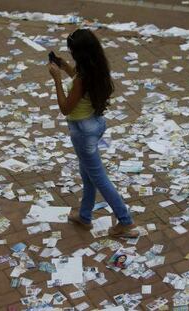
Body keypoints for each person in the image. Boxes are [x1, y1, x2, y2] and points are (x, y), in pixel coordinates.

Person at [47, 28, 138, 238]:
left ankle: (125, 221)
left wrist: (57, 79)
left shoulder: (82, 77)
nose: (71, 55)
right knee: (87, 174)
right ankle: (85, 215)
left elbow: (65, 108)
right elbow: (79, 82)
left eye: (72, 52)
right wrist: (65, 67)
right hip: (95, 124)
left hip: (82, 131)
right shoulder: (95, 68)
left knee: (98, 178)